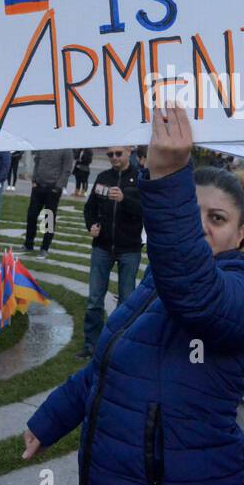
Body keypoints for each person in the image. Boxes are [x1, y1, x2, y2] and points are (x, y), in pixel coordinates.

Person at [21, 103, 244, 485]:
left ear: (242, 235)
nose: (198, 227)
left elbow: (198, 296)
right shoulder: (158, 280)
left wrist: (166, 177)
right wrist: (52, 417)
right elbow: (113, 366)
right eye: (189, 212)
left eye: (216, 218)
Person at [79, 146, 143, 359]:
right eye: (110, 154)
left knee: (126, 300)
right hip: (102, 247)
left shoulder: (140, 177)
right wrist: (92, 226)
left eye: (118, 153)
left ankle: (119, 346)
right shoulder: (103, 177)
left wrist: (125, 199)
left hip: (129, 248)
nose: (114, 158)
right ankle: (91, 345)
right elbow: (89, 208)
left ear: (128, 153)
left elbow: (146, 210)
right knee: (94, 300)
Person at [24, 147, 74, 256]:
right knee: (31, 215)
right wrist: (34, 180)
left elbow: (67, 169)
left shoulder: (66, 149)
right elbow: (37, 162)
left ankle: (44, 248)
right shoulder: (44, 144)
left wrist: (58, 187)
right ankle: (28, 244)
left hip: (53, 188)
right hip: (38, 186)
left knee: (49, 218)